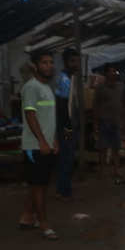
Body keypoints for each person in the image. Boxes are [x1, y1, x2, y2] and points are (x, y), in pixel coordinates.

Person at [19, 50, 59, 240]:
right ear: (35, 66)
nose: (49, 66)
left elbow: (49, 118)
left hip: (47, 145)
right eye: (44, 62)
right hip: (34, 146)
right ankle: (44, 224)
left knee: (39, 184)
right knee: (39, 186)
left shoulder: (47, 88)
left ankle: (27, 217)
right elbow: (30, 115)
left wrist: (54, 139)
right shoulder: (31, 87)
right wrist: (42, 141)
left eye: (51, 62)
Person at [54, 48, 80, 200]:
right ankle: (64, 190)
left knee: (68, 157)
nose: (75, 64)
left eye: (77, 61)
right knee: (66, 157)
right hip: (66, 125)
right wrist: (68, 128)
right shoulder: (64, 80)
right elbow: (63, 107)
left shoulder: (72, 78)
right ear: (65, 62)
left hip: (69, 124)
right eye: (72, 61)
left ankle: (64, 188)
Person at [93, 63, 125, 180]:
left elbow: (123, 103)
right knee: (103, 147)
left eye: (114, 71)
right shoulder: (100, 88)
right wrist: (95, 123)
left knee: (116, 148)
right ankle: (102, 171)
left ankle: (116, 170)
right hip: (104, 121)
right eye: (110, 71)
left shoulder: (121, 86)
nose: (112, 73)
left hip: (116, 121)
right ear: (105, 73)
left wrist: (124, 120)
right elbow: (95, 106)